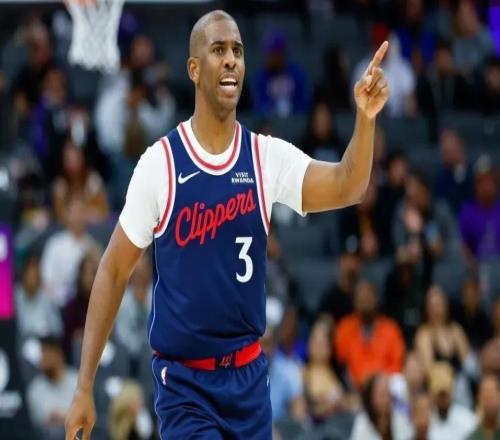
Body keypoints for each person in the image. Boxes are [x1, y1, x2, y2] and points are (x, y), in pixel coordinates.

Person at [65, 10, 390, 439]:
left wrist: (365, 119)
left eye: (237, 50)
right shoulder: (161, 164)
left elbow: (349, 186)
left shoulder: (264, 157)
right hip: (186, 385)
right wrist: (83, 386)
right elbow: (112, 270)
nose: (232, 59)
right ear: (194, 69)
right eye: (218, 49)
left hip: (249, 380)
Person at [335, 280, 405, 389]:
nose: (365, 300)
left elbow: (396, 364)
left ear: (377, 300)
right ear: (354, 301)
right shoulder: (344, 328)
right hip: (353, 389)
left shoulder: (391, 329)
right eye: (361, 297)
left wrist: (377, 381)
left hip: (385, 388)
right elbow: (341, 366)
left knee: (399, 383)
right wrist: (355, 386)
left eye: (368, 296)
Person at [27, 336, 78, 440]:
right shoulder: (35, 389)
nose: (41, 358)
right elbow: (36, 425)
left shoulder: (78, 381)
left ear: (58, 353)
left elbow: (87, 417)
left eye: (44, 352)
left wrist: (63, 418)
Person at [350, 373, 413, 440]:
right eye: (382, 395)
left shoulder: (399, 418)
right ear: (370, 398)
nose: (387, 400)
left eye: (388, 394)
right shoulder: (362, 423)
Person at [467, 375, 500, 440]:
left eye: (493, 396)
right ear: (478, 398)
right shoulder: (472, 435)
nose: (490, 401)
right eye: (486, 396)